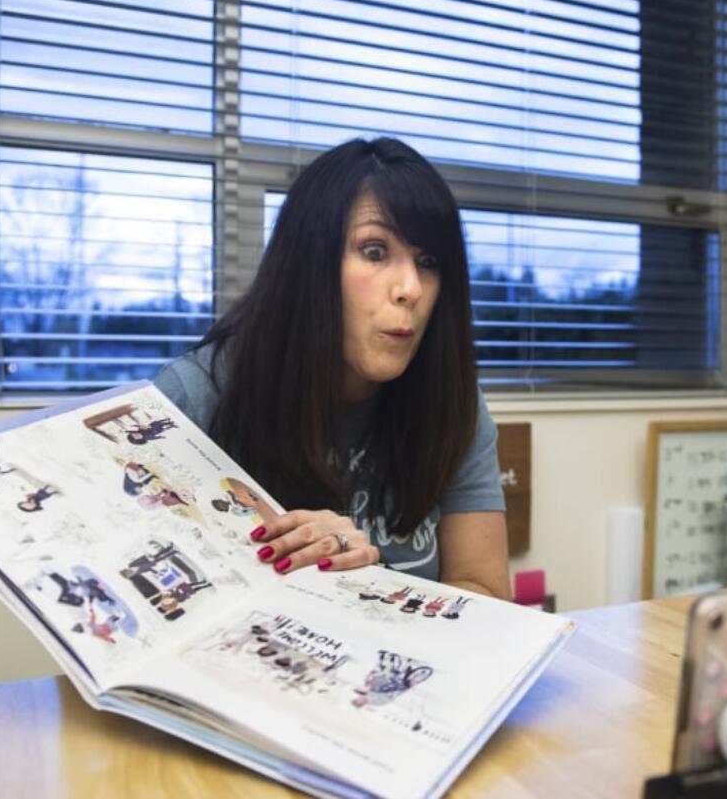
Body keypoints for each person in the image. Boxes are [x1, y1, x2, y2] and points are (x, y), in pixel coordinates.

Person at [154, 137, 510, 599]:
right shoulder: (194, 396)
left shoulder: (453, 405)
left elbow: (487, 592)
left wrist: (370, 579)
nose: (411, 288)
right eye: (375, 251)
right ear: (311, 263)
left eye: (428, 262)